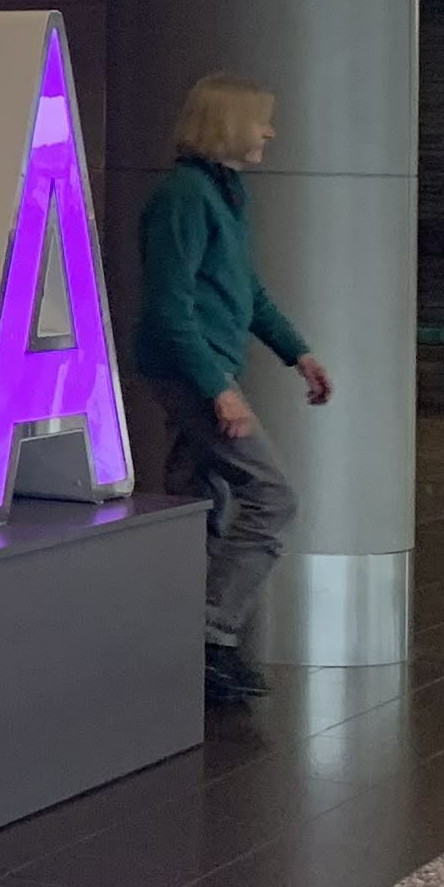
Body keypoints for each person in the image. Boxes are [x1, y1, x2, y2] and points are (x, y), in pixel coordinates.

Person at [132, 72, 332, 709]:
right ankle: (210, 633)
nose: (270, 131)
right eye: (261, 120)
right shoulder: (185, 198)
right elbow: (169, 309)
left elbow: (247, 291)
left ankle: (188, 642)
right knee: (273, 497)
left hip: (204, 371)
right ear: (228, 124)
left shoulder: (223, 194)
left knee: (201, 504)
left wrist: (298, 353)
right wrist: (219, 388)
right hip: (190, 374)